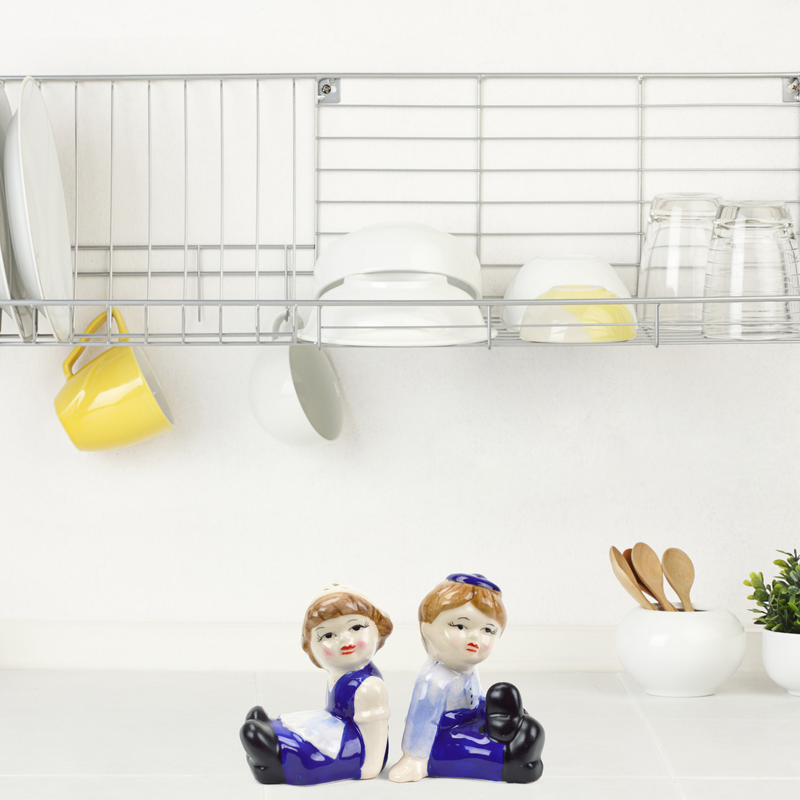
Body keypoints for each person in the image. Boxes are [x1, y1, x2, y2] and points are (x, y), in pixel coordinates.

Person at [389, 573, 544, 784]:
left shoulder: (468, 671)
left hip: (471, 722)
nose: (475, 637)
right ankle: (513, 763)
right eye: (461, 626)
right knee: (505, 748)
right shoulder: (434, 680)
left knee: (530, 729)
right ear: (427, 628)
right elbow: (421, 723)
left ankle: (515, 751)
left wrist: (491, 709)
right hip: (444, 739)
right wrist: (415, 759)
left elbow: (476, 698)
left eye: (488, 630)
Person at [240, 583, 393, 785]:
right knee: (296, 725)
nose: (345, 640)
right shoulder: (339, 672)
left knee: (307, 754)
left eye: (356, 627)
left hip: (354, 748)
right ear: (311, 647)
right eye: (328, 635)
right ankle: (270, 739)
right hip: (335, 725)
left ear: (378, 630)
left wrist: (368, 767)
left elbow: (374, 742)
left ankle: (271, 752)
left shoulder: (369, 687)